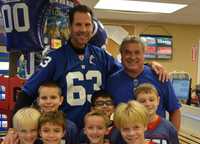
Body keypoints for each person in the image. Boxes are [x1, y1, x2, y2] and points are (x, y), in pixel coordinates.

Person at [13, 4, 168, 129]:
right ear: (70, 26)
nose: (83, 29)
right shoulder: (56, 58)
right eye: (78, 24)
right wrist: (14, 128)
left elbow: (128, 70)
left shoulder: (101, 55)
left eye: (87, 25)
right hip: (67, 129)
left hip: (97, 129)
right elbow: (27, 92)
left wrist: (147, 64)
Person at [107, 35, 181, 130]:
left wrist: (172, 139)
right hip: (124, 139)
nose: (132, 57)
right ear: (121, 55)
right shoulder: (112, 81)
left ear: (144, 55)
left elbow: (174, 110)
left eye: (137, 52)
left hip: (155, 140)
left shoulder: (160, 77)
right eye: (127, 53)